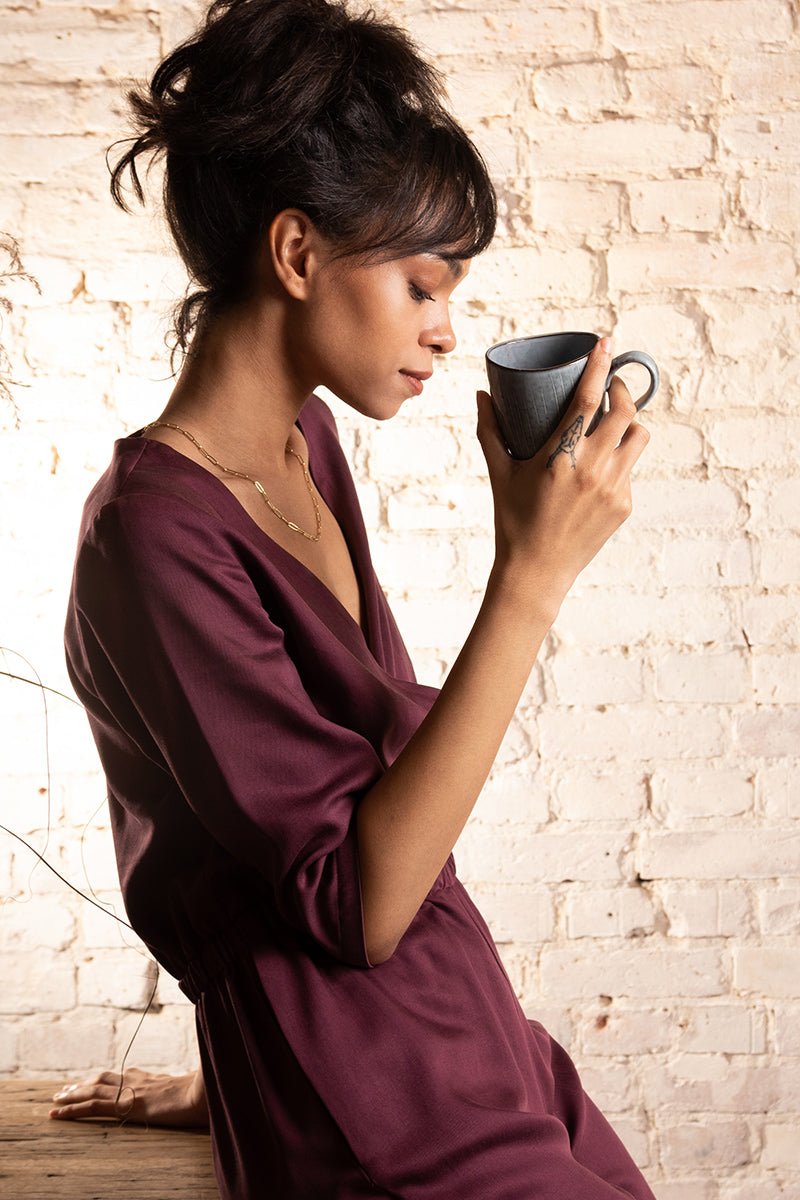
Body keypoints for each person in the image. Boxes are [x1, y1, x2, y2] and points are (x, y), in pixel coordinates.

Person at [58, 0, 655, 1196]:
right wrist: (530, 573)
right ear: (295, 255)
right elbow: (352, 904)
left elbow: (301, 814)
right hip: (368, 1108)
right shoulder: (151, 535)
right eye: (424, 287)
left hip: (472, 1032)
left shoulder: (305, 445)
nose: (444, 334)